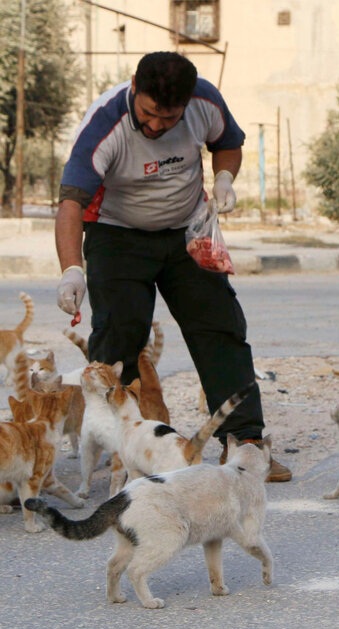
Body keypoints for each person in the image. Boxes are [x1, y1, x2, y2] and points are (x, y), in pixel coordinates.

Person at [53, 51, 290, 482]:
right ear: (133, 87)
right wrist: (72, 268)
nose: (158, 125)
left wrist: (224, 178)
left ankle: (246, 444)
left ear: (186, 104)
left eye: (169, 117)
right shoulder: (105, 125)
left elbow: (228, 144)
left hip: (186, 231)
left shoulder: (205, 101)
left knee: (220, 328)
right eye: (149, 114)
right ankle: (119, 450)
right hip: (117, 234)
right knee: (120, 335)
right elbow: (71, 202)